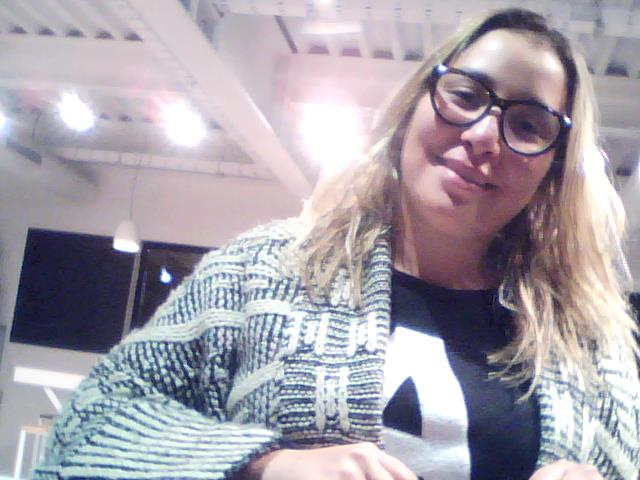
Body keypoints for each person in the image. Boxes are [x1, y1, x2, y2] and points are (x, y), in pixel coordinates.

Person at [34, 8, 639, 480]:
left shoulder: (589, 344)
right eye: (465, 95)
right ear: (416, 104)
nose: (485, 134)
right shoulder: (263, 271)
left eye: (528, 125)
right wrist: (264, 465)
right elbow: (89, 428)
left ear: (552, 169)